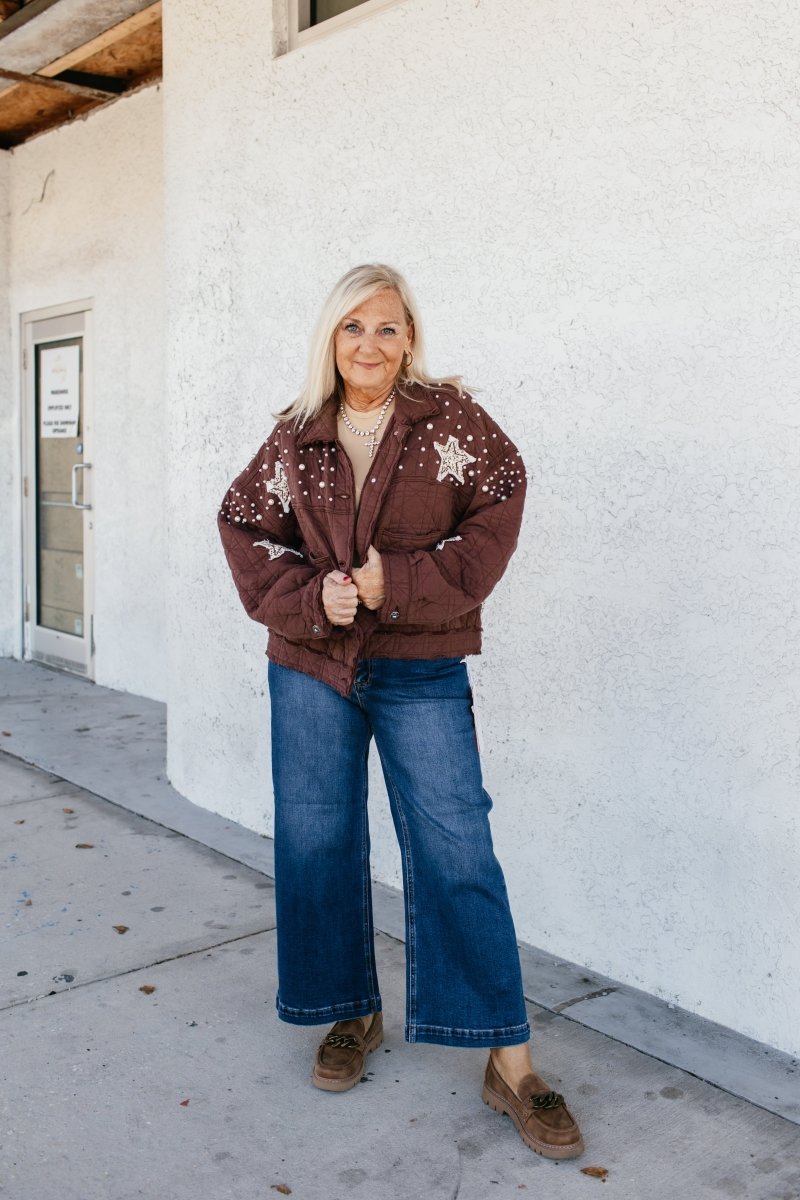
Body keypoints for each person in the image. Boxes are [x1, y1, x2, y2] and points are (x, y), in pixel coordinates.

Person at [218, 263, 584, 1160]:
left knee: (458, 845)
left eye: (386, 327)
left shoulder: (450, 422)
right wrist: (312, 598)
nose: (369, 344)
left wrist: (402, 582)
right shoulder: (295, 434)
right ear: (330, 338)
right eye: (353, 327)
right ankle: (351, 1013)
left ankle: (510, 1060)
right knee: (317, 838)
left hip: (421, 665)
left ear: (410, 336)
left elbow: (500, 502)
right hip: (312, 666)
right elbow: (243, 525)